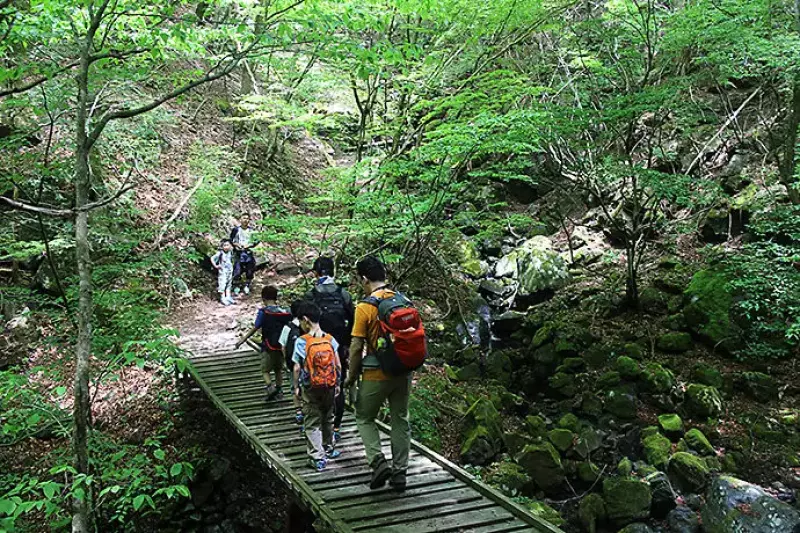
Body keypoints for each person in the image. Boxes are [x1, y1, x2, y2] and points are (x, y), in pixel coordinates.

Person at [344, 256, 411, 492]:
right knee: (400, 419)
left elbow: (355, 348)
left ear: (364, 279)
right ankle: (400, 473)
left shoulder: (365, 307)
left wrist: (351, 377)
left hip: (375, 372)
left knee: (364, 417)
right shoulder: (402, 299)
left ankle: (378, 461)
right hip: (403, 371)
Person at [304, 257, 354, 442]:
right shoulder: (344, 294)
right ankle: (336, 426)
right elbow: (354, 320)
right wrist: (348, 344)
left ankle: (317, 426)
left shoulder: (312, 294)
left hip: (315, 347)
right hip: (339, 346)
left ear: (317, 272)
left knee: (314, 383)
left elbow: (304, 319)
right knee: (337, 383)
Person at [292, 301, 342, 471]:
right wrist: (338, 384)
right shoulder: (330, 339)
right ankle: (329, 448)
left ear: (306, 320)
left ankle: (317, 457)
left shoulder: (301, 341)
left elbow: (297, 367)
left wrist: (296, 387)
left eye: (300, 321)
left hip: (310, 386)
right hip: (329, 384)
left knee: (312, 421)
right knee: (328, 416)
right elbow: (338, 365)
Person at [235, 286, 291, 400]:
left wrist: (243, 340)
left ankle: (270, 387)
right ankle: (280, 390)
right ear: (276, 298)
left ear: (263, 298)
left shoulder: (264, 312)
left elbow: (255, 327)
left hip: (268, 346)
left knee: (265, 370)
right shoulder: (285, 312)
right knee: (278, 369)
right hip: (281, 346)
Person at [279, 300, 304, 425]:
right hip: (307, 364)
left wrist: (285, 360)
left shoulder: (288, 327)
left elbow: (282, 345)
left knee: (294, 386)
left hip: (292, 363)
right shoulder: (308, 325)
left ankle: (298, 411)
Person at [230, 213, 258, 295]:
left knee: (250, 270)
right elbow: (231, 240)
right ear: (240, 219)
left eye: (247, 218)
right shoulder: (236, 230)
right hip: (238, 253)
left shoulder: (252, 231)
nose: (246, 220)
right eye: (244, 218)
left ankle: (247, 285)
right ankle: (236, 286)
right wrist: (237, 245)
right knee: (237, 270)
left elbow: (256, 241)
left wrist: (249, 245)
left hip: (248, 252)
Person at [211, 239, 235, 306]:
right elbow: (212, 258)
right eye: (224, 245)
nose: (226, 247)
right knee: (222, 284)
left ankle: (228, 297)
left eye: (228, 245)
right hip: (223, 272)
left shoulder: (230, 252)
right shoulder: (220, 253)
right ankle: (222, 298)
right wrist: (216, 266)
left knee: (229, 284)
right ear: (222, 246)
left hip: (229, 271)